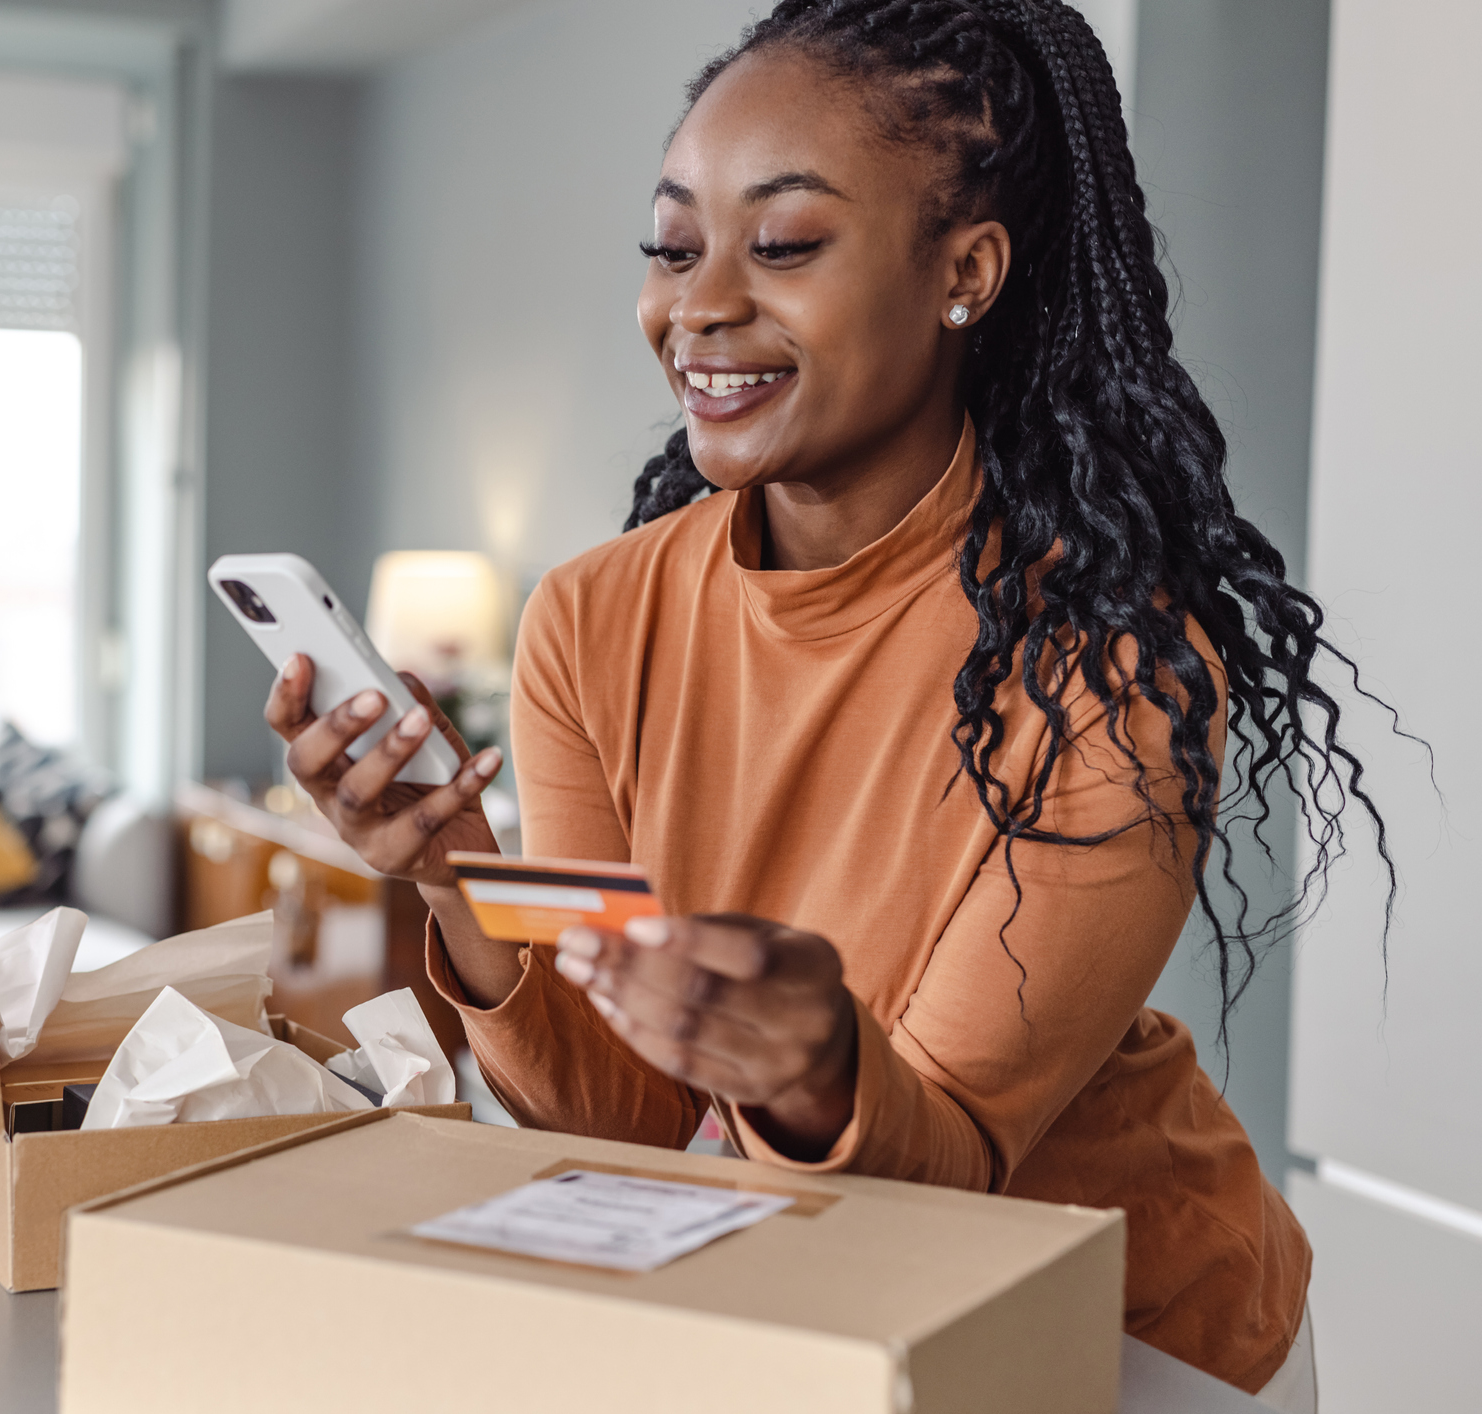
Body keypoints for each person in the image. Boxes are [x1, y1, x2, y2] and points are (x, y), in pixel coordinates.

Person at [266, 4, 1380, 1407]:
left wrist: (815, 1070)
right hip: (807, 1287)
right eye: (674, 246)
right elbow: (633, 1115)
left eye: (783, 244)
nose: (702, 305)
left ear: (964, 272)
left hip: (1126, 1327)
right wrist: (451, 877)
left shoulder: (1110, 666)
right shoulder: (590, 619)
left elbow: (953, 1160)